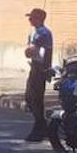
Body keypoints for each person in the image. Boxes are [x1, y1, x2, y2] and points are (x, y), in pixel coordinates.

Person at [23, 7, 55, 142]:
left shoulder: (42, 33)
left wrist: (28, 50)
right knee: (30, 98)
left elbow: (31, 51)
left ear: (39, 19)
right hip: (35, 66)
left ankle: (40, 128)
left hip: (40, 69)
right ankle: (42, 125)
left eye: (32, 17)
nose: (29, 20)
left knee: (35, 99)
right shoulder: (35, 32)